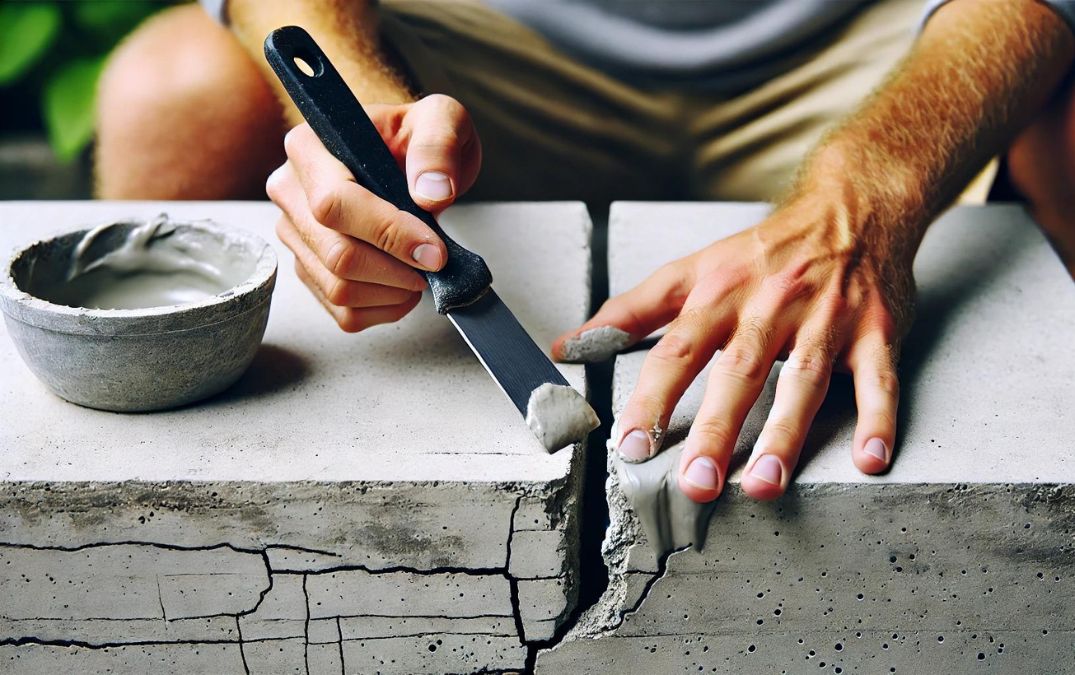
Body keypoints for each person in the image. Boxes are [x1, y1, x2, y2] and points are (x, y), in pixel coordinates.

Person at [96, 0, 1075, 504]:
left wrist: (875, 185)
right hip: (491, 46)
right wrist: (363, 104)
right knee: (169, 89)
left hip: (872, 44)